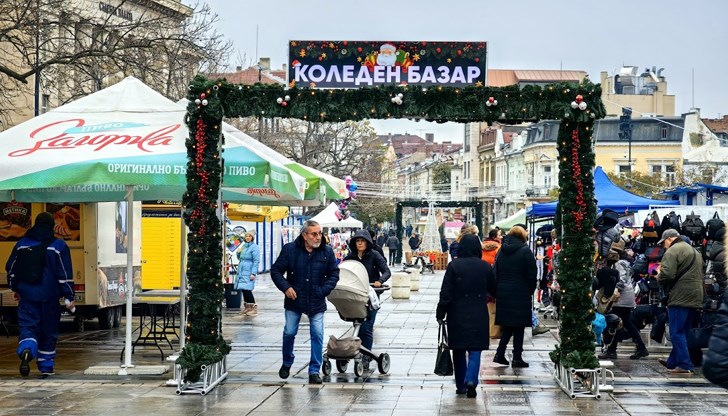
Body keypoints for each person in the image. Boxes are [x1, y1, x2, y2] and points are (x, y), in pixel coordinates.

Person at [5, 212, 74, 377]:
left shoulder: (21, 244)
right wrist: (69, 296)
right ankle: (46, 366)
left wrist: (15, 288)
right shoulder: (59, 246)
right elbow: (64, 274)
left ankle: (27, 349)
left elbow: (11, 269)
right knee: (48, 332)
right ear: (51, 226)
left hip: (27, 298)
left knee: (28, 327)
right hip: (50, 298)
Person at [270, 220, 340, 384]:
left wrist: (323, 291)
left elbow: (334, 274)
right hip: (295, 299)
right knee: (289, 332)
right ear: (304, 235)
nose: (318, 237)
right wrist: (286, 288)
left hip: (316, 299)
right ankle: (287, 361)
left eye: (319, 233)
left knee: (317, 334)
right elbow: (276, 270)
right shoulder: (290, 250)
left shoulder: (326, 252)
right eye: (314, 234)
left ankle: (314, 370)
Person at [436, 234, 497, 398]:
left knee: (458, 349)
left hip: (457, 313)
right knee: (475, 349)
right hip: (478, 311)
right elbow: (494, 289)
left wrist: (440, 312)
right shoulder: (485, 267)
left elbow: (446, 293)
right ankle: (471, 379)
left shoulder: (454, 266)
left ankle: (461, 385)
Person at [656, 228, 704, 374]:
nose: (664, 246)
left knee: (676, 332)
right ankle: (673, 362)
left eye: (664, 243)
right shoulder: (694, 251)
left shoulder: (672, 251)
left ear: (669, 239)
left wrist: (659, 276)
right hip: (695, 295)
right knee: (684, 331)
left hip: (680, 295)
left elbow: (668, 274)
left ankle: (685, 365)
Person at [344, 230, 391, 370]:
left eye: (362, 241)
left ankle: (366, 356)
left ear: (367, 243)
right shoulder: (350, 257)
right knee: (357, 325)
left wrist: (380, 281)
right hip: (355, 295)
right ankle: (356, 351)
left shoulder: (375, 255)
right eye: (357, 241)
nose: (360, 243)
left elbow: (387, 271)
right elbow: (342, 270)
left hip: (371, 294)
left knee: (367, 327)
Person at [493, 226, 537, 368]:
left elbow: (496, 271)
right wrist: (529, 291)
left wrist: (498, 290)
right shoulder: (525, 251)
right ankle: (516, 357)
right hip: (521, 292)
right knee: (518, 327)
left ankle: (500, 353)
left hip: (504, 292)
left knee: (508, 326)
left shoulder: (501, 251)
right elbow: (532, 275)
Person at [598, 241, 649, 360]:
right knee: (625, 322)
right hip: (628, 297)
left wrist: (614, 291)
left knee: (616, 321)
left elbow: (621, 281)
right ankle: (638, 348)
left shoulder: (619, 264)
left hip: (622, 298)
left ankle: (613, 349)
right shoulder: (626, 263)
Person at [236, 232, 260, 317]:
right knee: (243, 289)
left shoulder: (255, 247)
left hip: (248, 270)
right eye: (246, 236)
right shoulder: (244, 246)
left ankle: (253, 308)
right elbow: (240, 258)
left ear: (252, 237)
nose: (247, 237)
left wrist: (253, 273)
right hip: (242, 270)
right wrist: (238, 253)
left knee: (247, 289)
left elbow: (256, 261)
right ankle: (247, 307)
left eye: (249, 236)